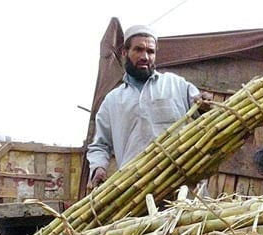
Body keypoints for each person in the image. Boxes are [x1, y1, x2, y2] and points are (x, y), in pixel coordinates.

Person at [87, 25, 203, 189]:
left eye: (150, 51)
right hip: (133, 188)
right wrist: (98, 167)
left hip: (179, 183)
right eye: (139, 50)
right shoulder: (112, 101)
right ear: (124, 53)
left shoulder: (176, 85)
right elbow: (100, 145)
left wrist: (206, 104)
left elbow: (204, 116)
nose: (145, 57)